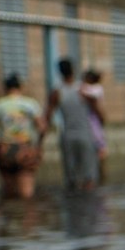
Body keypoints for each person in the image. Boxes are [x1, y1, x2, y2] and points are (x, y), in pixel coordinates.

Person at [0, 73, 46, 200]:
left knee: (9, 193)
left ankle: (11, 217)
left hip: (5, 150)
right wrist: (38, 146)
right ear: (21, 87)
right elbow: (42, 127)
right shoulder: (30, 104)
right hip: (25, 150)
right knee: (27, 195)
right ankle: (26, 217)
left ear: (5, 88)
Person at [47, 58, 98, 191]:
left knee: (71, 178)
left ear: (59, 72)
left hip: (67, 136)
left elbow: (47, 118)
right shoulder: (83, 90)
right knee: (89, 177)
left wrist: (39, 142)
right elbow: (100, 114)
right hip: (85, 135)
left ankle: (73, 208)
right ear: (73, 70)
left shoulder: (57, 93)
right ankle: (88, 208)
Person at [80, 68, 110, 184]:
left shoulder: (95, 89)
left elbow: (87, 94)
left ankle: (100, 177)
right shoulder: (93, 88)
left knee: (100, 148)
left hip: (94, 122)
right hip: (91, 123)